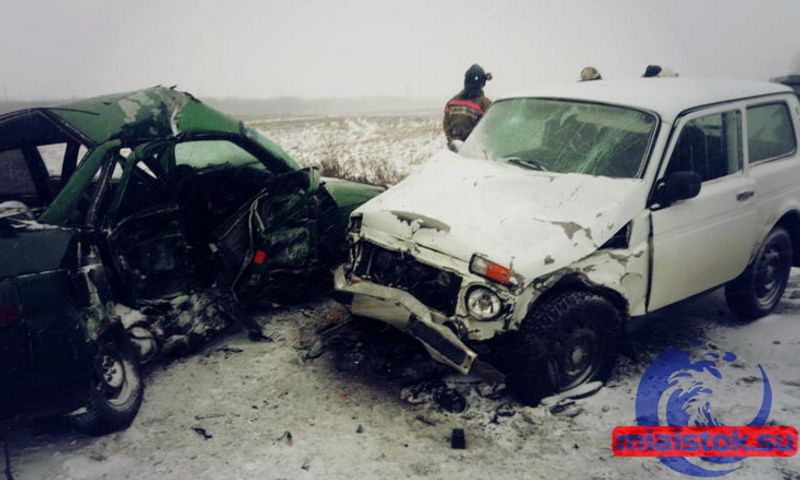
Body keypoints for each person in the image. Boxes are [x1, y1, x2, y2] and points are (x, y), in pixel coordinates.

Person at [443, 64, 492, 144]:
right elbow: (491, 128)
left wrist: (453, 142)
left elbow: (446, 126)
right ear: (482, 83)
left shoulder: (451, 102)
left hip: (455, 148)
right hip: (475, 148)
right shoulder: (485, 104)